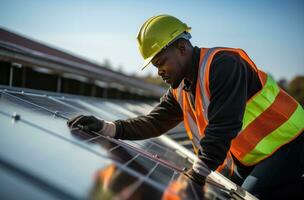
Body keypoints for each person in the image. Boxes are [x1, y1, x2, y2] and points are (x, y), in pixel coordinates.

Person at [67, 15, 304, 199]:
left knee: (249, 196)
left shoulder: (223, 65)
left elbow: (224, 125)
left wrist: (197, 173)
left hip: (289, 142)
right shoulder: (180, 89)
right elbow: (153, 122)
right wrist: (106, 127)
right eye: (154, 66)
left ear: (181, 48)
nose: (159, 71)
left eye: (161, 62)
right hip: (251, 157)